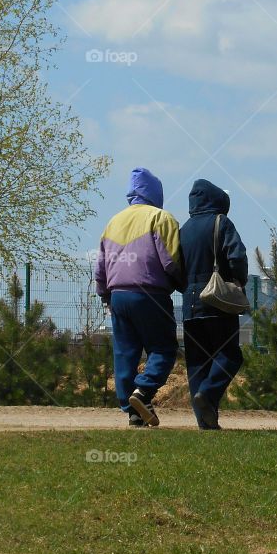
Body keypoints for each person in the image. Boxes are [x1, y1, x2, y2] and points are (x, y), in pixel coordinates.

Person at [95, 167, 184, 427]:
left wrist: (105, 295)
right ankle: (143, 391)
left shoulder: (113, 221)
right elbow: (171, 260)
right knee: (164, 348)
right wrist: (182, 283)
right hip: (151, 293)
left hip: (118, 295)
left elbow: (100, 266)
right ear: (156, 193)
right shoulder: (160, 217)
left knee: (125, 353)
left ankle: (133, 411)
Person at [179, 179, 248, 430]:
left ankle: (205, 421)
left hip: (189, 305)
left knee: (197, 362)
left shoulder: (184, 229)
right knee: (230, 354)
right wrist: (239, 281)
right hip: (218, 300)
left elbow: (175, 267)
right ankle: (208, 394)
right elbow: (236, 255)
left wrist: (185, 288)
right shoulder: (221, 222)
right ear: (217, 200)